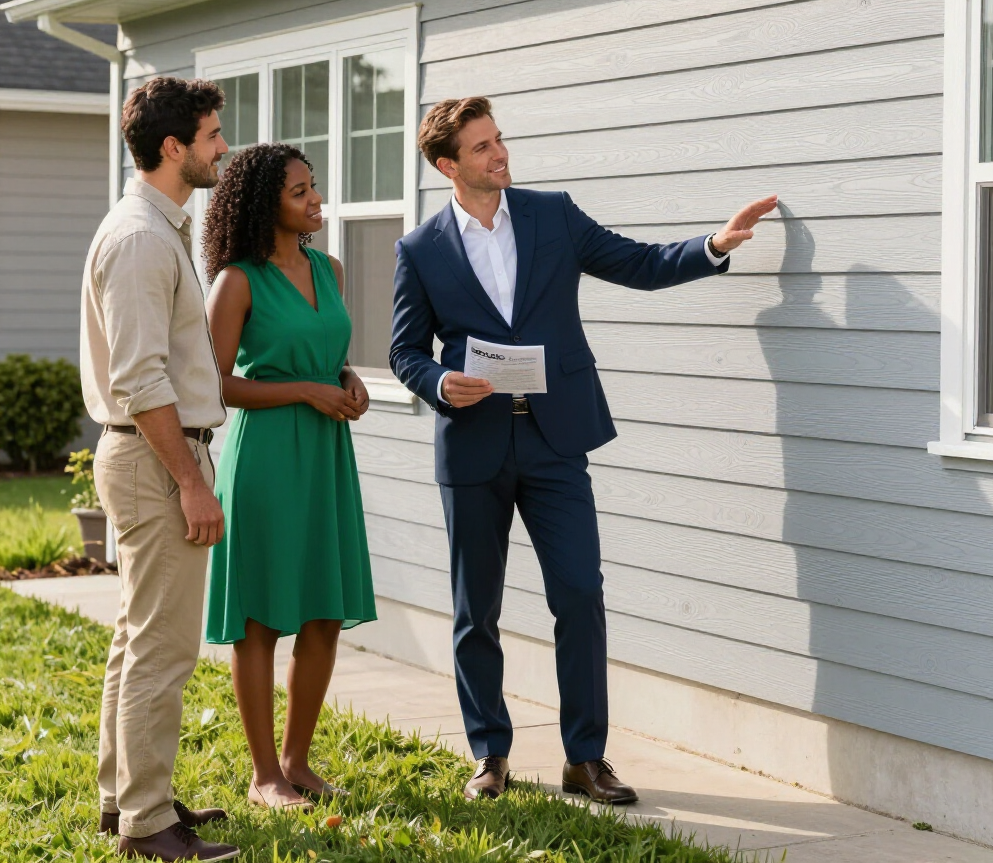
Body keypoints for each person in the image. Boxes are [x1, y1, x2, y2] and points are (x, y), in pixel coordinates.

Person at [391, 96, 777, 804]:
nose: (499, 154)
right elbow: (404, 352)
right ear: (448, 165)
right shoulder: (420, 250)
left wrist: (713, 246)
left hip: (555, 439)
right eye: (481, 147)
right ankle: (490, 754)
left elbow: (637, 263)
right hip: (473, 445)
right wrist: (442, 381)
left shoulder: (552, 214)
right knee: (476, 609)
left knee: (579, 593)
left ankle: (585, 758)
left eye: (499, 139)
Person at [83, 76, 239, 861]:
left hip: (145, 451)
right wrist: (190, 480)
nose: (223, 148)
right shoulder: (143, 237)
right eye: (213, 135)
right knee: (161, 648)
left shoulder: (155, 225)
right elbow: (141, 381)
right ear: (173, 148)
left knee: (135, 638)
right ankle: (147, 825)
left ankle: (126, 799)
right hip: (155, 456)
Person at [202, 142, 376, 811]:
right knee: (261, 620)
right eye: (300, 191)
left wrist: (347, 379)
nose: (316, 200)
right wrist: (306, 391)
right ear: (264, 203)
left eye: (314, 187)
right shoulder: (237, 280)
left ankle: (299, 761)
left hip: (328, 455)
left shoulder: (328, 268)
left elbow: (331, 353)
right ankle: (264, 772)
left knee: (324, 611)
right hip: (267, 457)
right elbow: (216, 385)